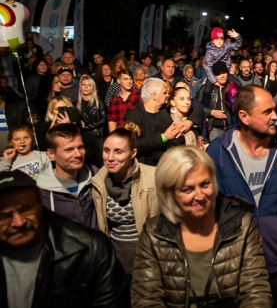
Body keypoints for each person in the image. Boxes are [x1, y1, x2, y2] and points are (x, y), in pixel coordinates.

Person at [206, 85, 277, 308]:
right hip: (237, 270)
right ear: (244, 117)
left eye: (274, 110)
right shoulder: (217, 152)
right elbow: (208, 213)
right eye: (267, 112)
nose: (275, 117)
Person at [131, 146, 273, 307]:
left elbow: (256, 292)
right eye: (187, 189)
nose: (200, 196)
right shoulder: (154, 234)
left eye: (205, 184)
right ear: (169, 192)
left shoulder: (241, 224)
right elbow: (146, 300)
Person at [0, 170, 129, 307]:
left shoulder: (91, 249)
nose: (19, 222)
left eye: (26, 208)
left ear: (39, 198)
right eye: (4, 215)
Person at [90, 127, 159, 280]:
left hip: (149, 262)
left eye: (118, 152)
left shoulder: (153, 177)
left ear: (133, 153)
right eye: (106, 150)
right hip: (115, 264)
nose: (110, 157)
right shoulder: (97, 183)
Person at [40, 123, 98, 228]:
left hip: (95, 243)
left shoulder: (95, 176)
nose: (78, 154)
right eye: (69, 150)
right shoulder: (40, 192)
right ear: (51, 154)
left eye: (80, 147)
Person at [124, 78, 192, 166]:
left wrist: (189, 122)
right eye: (164, 93)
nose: (167, 95)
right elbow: (133, 144)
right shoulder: (133, 116)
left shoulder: (165, 111)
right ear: (154, 96)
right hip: (143, 166)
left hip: (166, 164)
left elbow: (197, 109)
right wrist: (163, 137)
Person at [198, 61, 234, 142]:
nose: (222, 76)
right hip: (214, 130)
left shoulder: (232, 88)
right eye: (218, 73)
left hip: (230, 129)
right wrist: (211, 112)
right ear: (213, 76)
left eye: (224, 72)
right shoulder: (205, 89)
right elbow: (197, 107)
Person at [77, 74, 107, 168]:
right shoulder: (77, 103)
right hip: (85, 137)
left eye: (89, 85)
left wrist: (87, 126)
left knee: (101, 164)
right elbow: (77, 120)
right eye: (84, 84)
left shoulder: (98, 100)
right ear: (80, 87)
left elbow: (104, 119)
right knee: (87, 164)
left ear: (93, 88)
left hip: (98, 136)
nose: (86, 87)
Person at [107, 68, 141, 132]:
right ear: (118, 81)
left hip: (136, 133)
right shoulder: (114, 99)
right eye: (125, 79)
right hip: (120, 134)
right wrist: (113, 137)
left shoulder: (138, 95)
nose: (129, 81)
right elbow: (112, 120)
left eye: (130, 79)